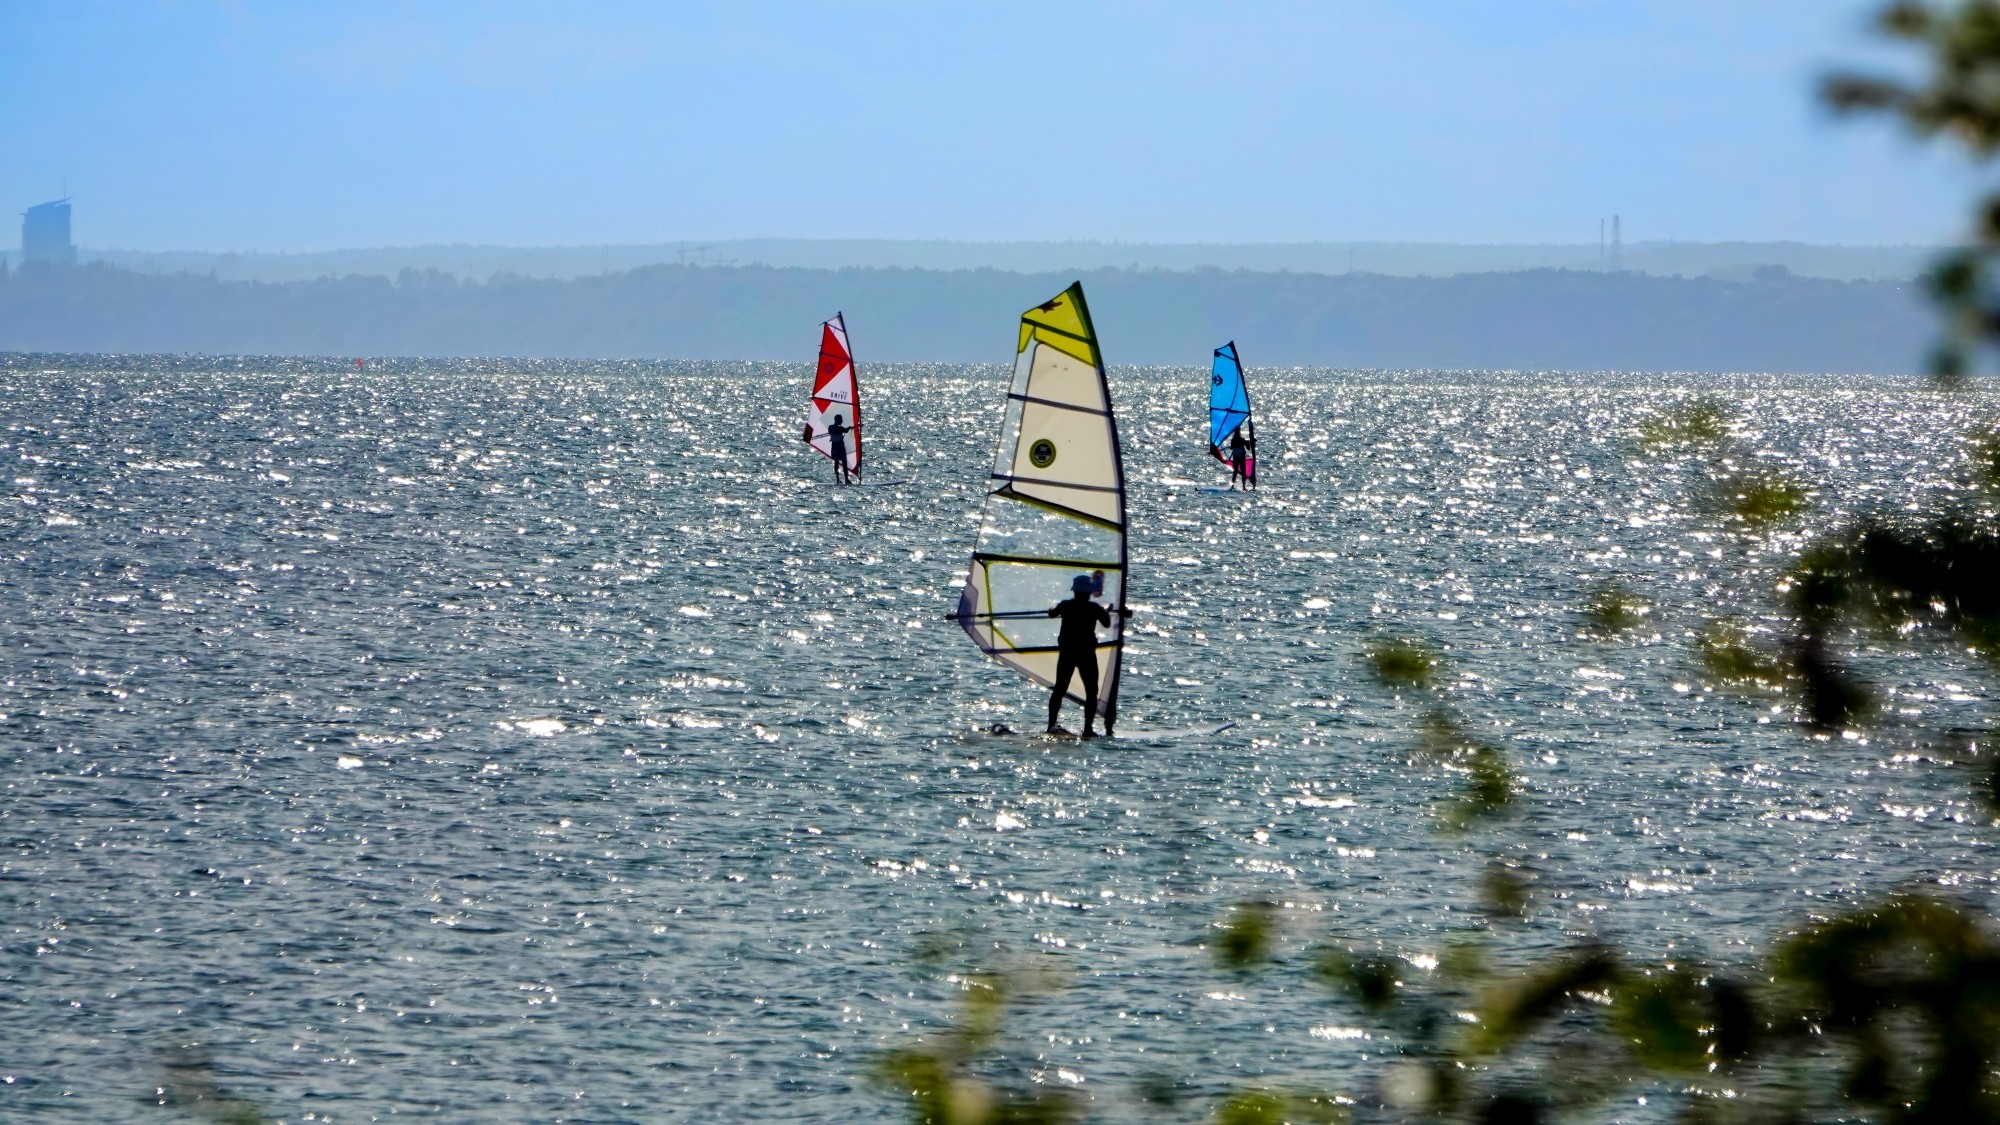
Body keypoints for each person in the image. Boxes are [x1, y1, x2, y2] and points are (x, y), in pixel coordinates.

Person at [1047, 573, 1122, 738]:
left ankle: (1051, 724)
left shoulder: (1065, 605)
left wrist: (1051, 610)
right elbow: (1107, 623)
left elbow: (1052, 614)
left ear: (1074, 591)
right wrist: (1105, 611)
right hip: (1085, 652)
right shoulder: (1093, 608)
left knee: (1060, 688)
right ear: (1089, 592)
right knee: (1091, 691)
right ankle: (1088, 728)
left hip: (1068, 651)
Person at [825, 415, 854, 485]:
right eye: (841, 420)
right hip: (840, 448)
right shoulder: (840, 428)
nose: (842, 421)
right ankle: (846, 479)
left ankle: (838, 479)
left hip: (834, 448)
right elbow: (845, 431)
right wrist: (849, 428)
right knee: (844, 463)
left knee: (836, 463)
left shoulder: (830, 427)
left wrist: (848, 428)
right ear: (838, 420)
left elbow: (832, 432)